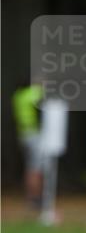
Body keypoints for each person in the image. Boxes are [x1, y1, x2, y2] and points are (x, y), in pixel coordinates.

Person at [12, 79, 44, 207]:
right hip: (33, 134)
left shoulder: (18, 96)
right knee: (36, 167)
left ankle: (31, 196)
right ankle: (36, 197)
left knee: (29, 167)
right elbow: (42, 95)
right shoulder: (32, 94)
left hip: (23, 134)